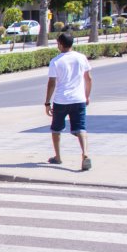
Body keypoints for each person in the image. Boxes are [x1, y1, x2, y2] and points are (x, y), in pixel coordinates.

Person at [45, 32, 93, 170]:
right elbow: (89, 78)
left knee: (56, 129)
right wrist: (87, 96)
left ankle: (58, 157)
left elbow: (51, 83)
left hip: (61, 100)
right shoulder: (81, 58)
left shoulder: (56, 61)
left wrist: (47, 102)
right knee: (81, 128)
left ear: (60, 44)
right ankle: (85, 154)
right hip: (79, 99)